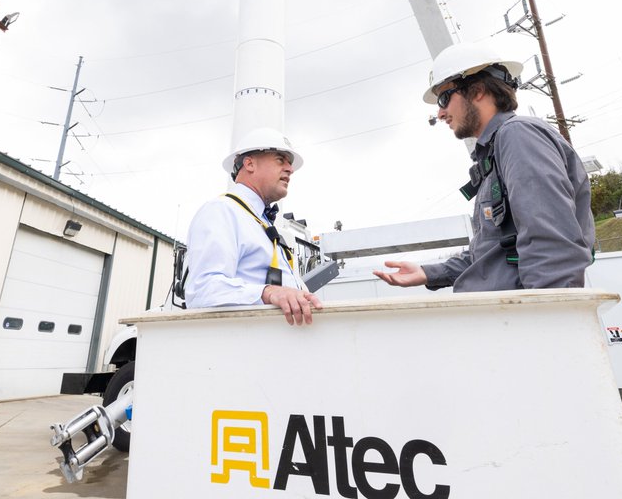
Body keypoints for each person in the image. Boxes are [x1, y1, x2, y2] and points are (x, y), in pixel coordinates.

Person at [374, 41, 595, 292]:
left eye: (444, 98)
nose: (440, 113)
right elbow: (491, 255)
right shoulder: (495, 154)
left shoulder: (518, 135)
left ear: (477, 91)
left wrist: (547, 311)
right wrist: (428, 272)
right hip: (505, 311)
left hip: (523, 313)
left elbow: (553, 245)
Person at [185, 127, 323, 325]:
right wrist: (268, 292)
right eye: (280, 159)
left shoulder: (261, 223)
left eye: (289, 163)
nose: (290, 169)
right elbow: (202, 290)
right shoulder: (221, 211)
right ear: (249, 164)